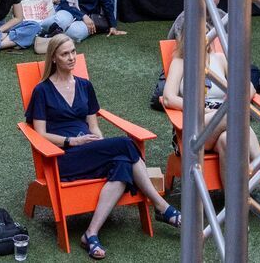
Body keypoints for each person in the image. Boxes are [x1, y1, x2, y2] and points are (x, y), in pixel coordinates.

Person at [24, 33, 181, 257]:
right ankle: (161, 206)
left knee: (123, 165)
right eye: (65, 54)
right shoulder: (42, 91)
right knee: (126, 145)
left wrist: (98, 140)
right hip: (62, 157)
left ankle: (91, 233)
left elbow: (93, 125)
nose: (71, 57)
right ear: (54, 58)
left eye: (73, 52)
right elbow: (40, 134)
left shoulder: (85, 86)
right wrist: (72, 141)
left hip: (90, 151)